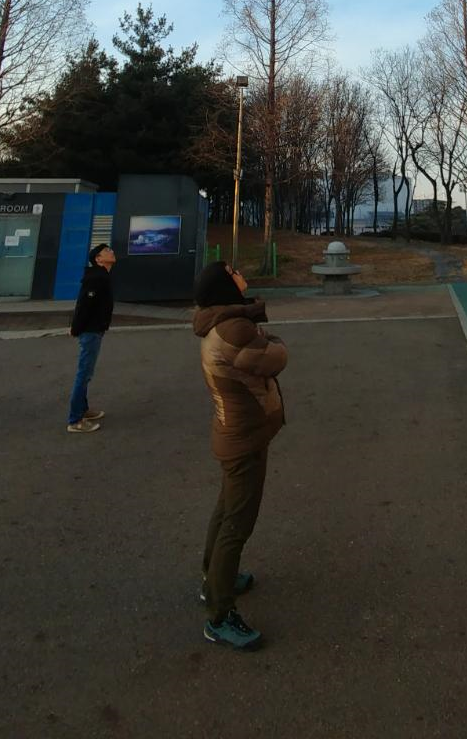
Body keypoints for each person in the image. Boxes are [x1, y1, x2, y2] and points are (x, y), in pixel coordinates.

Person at [193, 260, 287, 652]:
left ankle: (214, 580)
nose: (239, 273)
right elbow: (276, 357)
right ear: (224, 286)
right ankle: (219, 616)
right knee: (237, 523)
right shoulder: (234, 328)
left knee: (225, 510)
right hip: (244, 438)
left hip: (232, 433)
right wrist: (270, 338)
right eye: (232, 271)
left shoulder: (219, 322)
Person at [66, 243, 116, 433]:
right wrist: (76, 328)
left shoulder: (102, 276)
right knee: (84, 373)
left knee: (87, 372)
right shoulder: (96, 278)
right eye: (107, 251)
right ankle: (75, 420)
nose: (112, 252)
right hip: (90, 330)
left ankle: (83, 409)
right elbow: (84, 305)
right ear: (98, 259)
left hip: (96, 329)